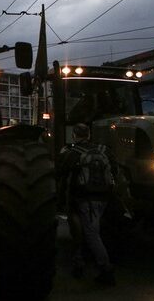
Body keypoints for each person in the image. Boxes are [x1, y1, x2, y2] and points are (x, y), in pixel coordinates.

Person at [57, 123, 117, 286]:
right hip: (103, 198)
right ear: (89, 134)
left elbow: (60, 171)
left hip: (82, 199)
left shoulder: (72, 152)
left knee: (87, 233)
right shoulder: (104, 150)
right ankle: (80, 262)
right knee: (90, 231)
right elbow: (115, 171)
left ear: (74, 135)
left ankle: (105, 270)